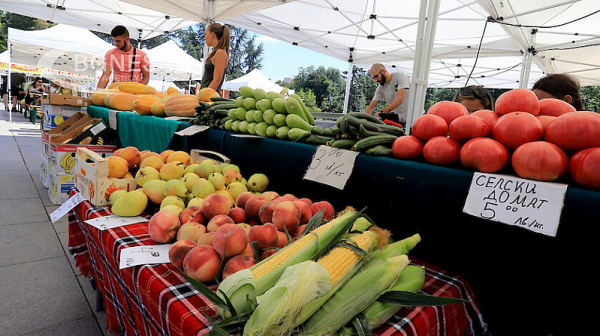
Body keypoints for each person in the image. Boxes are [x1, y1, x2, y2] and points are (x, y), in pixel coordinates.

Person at [200, 23, 231, 92]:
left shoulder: (220, 53)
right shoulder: (216, 53)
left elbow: (217, 80)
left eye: (206, 34)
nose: (204, 38)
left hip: (209, 98)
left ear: (212, 34)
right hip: (207, 97)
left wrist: (204, 96)